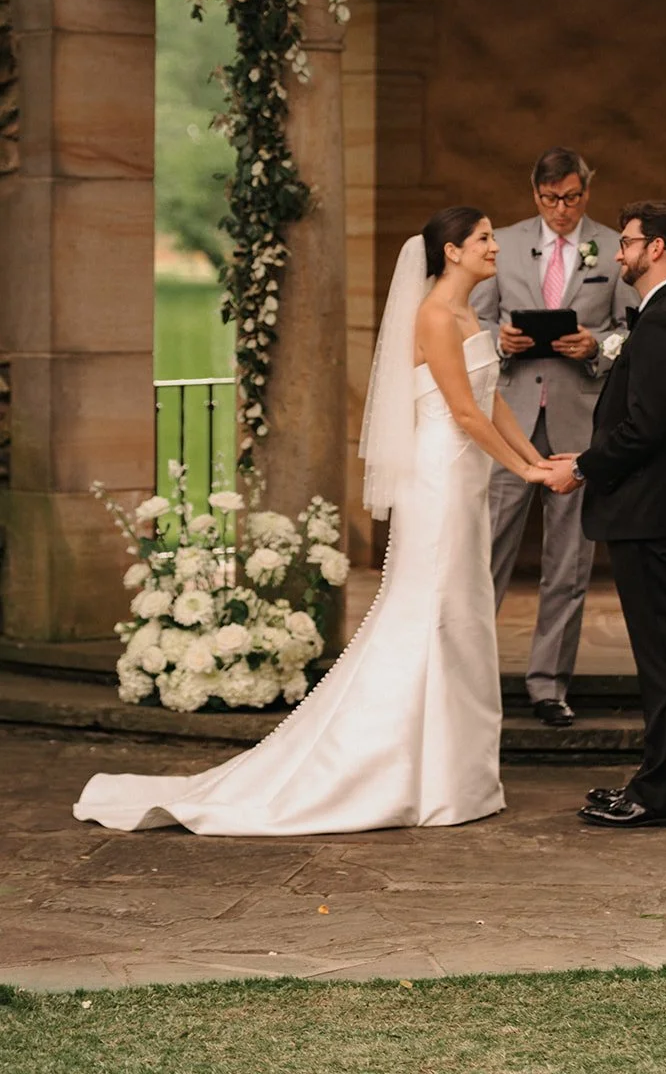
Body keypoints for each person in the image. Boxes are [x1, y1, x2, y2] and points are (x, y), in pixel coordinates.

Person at [73, 207, 553, 836]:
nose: (496, 245)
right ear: (452, 253)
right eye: (484, 237)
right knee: (432, 611)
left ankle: (458, 775)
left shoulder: (471, 316)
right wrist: (527, 475)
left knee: (463, 612)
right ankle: (411, 773)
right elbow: (463, 413)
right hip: (439, 479)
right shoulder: (435, 315)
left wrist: (538, 461)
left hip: (466, 479)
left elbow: (492, 398)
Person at [544, 201, 666, 828]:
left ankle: (661, 796)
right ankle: (652, 782)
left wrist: (583, 466)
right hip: (654, 507)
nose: (618, 253)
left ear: (658, 248)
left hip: (653, 509)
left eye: (627, 242)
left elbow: (646, 428)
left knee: (665, 661)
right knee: (660, 659)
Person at [472, 147, 633, 728]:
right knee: (486, 550)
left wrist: (596, 348)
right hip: (509, 418)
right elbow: (474, 321)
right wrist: (500, 341)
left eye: (571, 198)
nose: (561, 210)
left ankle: (548, 686)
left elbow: (630, 332)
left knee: (568, 562)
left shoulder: (615, 248)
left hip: (578, 421)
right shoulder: (504, 243)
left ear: (586, 191)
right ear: (534, 193)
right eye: (549, 199)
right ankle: (469, 679)